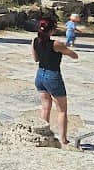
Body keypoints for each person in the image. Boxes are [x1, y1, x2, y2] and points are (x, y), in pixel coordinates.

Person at [33, 13, 80, 146]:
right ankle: (63, 139)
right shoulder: (56, 44)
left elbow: (36, 58)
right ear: (52, 30)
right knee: (62, 110)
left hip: (40, 74)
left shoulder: (35, 41)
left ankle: (43, 133)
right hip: (53, 75)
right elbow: (74, 55)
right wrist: (67, 49)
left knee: (45, 108)